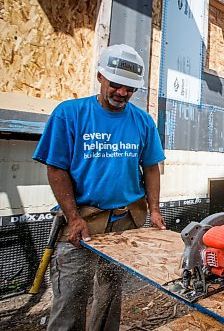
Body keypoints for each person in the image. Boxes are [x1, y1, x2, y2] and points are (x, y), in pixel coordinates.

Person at [33, 44, 167, 330]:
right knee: (71, 297)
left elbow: (152, 167)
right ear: (100, 76)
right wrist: (73, 218)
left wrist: (154, 210)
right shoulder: (70, 114)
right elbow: (56, 168)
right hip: (83, 221)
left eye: (129, 89)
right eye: (115, 85)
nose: (122, 93)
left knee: (109, 294)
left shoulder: (143, 121)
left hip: (124, 222)